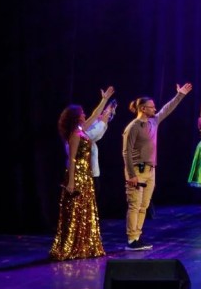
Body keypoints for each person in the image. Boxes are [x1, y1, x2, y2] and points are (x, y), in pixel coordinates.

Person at [122, 82, 192, 251]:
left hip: (150, 170)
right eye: (151, 107)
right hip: (137, 170)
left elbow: (167, 109)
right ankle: (131, 239)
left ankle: (137, 236)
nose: (155, 109)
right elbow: (126, 152)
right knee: (135, 205)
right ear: (143, 108)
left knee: (144, 205)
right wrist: (131, 175)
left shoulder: (153, 122)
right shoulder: (133, 127)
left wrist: (180, 95)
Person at [50, 87, 114, 261]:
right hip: (77, 174)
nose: (85, 115)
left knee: (85, 210)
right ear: (76, 117)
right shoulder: (75, 134)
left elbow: (94, 115)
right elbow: (71, 159)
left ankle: (83, 245)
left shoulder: (81, 129)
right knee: (75, 211)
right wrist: (71, 181)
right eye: (82, 113)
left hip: (85, 175)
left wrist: (104, 100)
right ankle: (72, 246)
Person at [85, 98, 116, 198]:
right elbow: (91, 136)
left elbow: (97, 135)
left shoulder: (93, 126)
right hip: (84, 173)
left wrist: (105, 118)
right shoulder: (78, 132)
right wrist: (104, 119)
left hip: (93, 172)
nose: (84, 115)